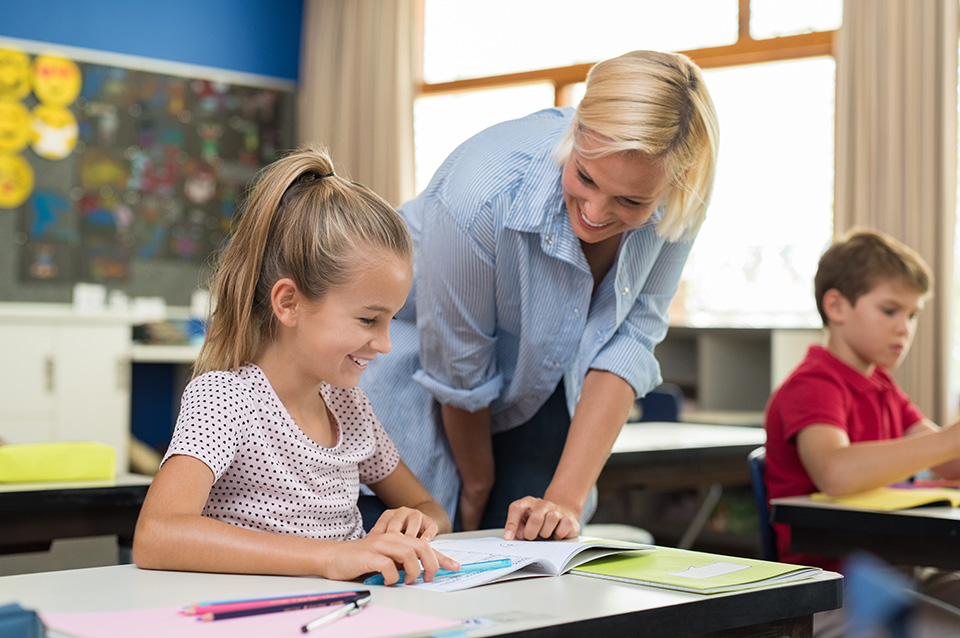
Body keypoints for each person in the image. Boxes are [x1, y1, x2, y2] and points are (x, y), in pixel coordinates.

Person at [359, 50, 720, 541]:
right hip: (419, 362)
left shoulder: (678, 195)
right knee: (421, 549)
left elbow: (630, 340)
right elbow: (459, 368)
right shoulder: (482, 191)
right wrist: (476, 489)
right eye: (586, 178)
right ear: (576, 135)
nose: (594, 212)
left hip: (536, 374)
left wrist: (565, 502)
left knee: (537, 548)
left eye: (630, 201)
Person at [133, 145, 457, 586]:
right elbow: (156, 536)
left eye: (391, 321)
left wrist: (416, 523)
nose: (384, 343)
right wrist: (329, 558)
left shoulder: (350, 407)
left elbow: (431, 508)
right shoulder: (227, 400)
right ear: (289, 303)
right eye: (368, 319)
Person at [764, 228, 960, 637]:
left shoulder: (883, 386)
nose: (904, 328)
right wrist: (947, 439)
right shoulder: (813, 384)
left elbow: (946, 462)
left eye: (912, 315)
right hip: (830, 588)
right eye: (890, 310)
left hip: (895, 569)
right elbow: (836, 473)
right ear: (836, 305)